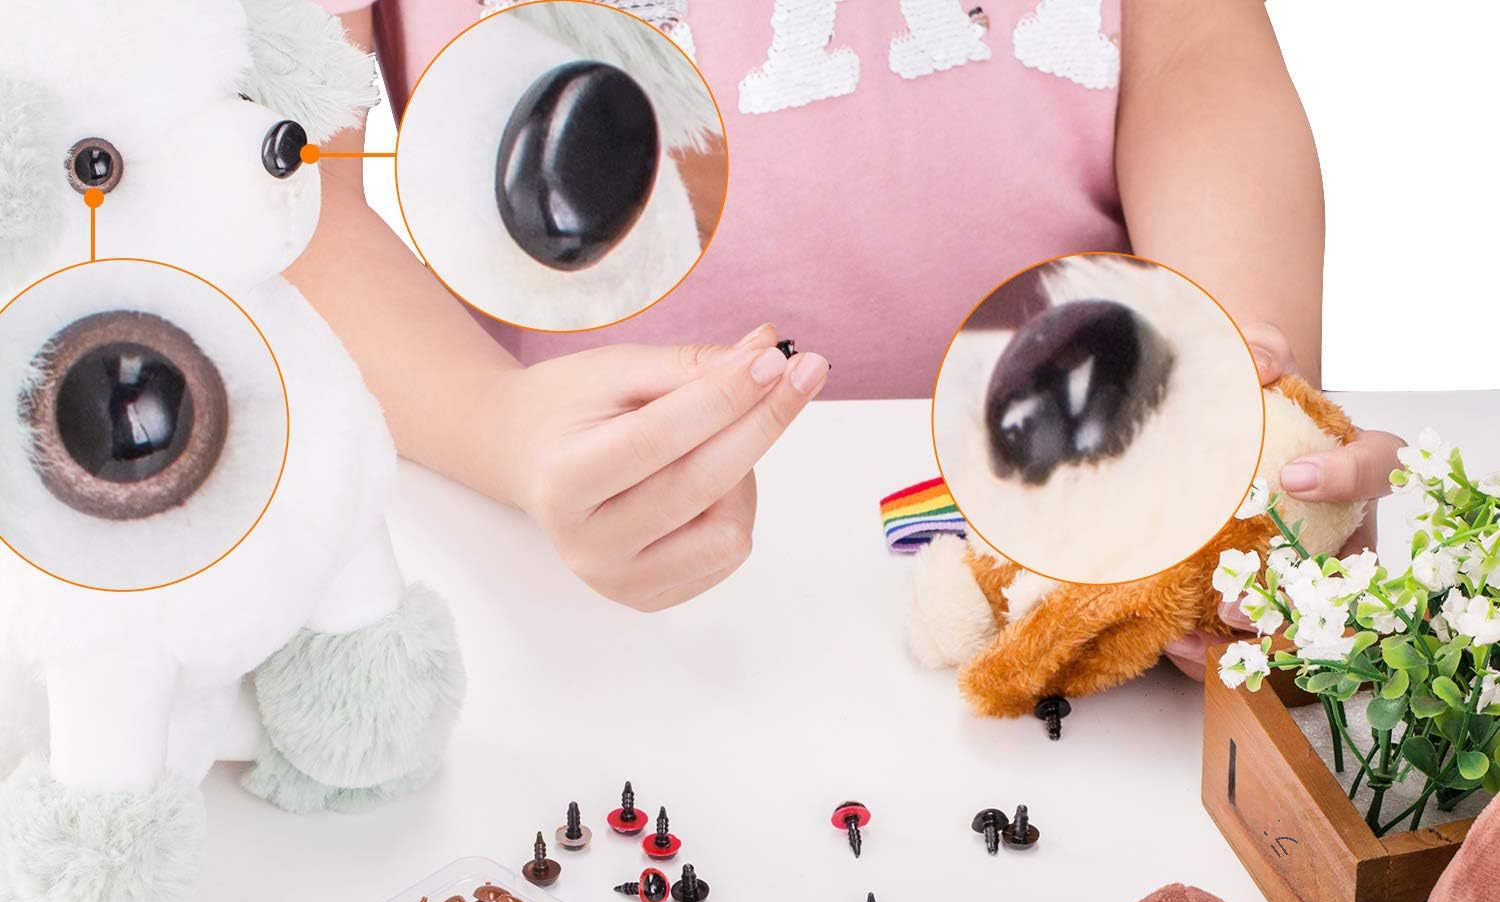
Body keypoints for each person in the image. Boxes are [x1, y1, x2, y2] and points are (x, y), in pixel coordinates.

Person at [291, 0, 1400, 626]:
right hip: (583, 568)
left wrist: (1241, 407)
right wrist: (503, 427)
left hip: (1085, 531)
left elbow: (1195, 51)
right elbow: (290, 189)